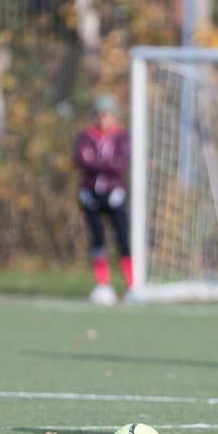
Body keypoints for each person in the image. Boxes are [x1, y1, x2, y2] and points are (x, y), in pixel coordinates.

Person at [75, 93, 133, 305]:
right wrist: (105, 162)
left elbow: (119, 164)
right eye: (99, 115)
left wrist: (96, 160)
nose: (102, 119)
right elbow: (81, 159)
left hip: (114, 194)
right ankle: (103, 284)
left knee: (123, 238)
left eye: (107, 114)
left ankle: (132, 285)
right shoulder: (87, 136)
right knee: (97, 239)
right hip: (91, 195)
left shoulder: (121, 137)